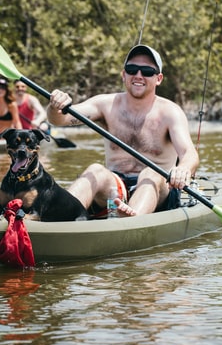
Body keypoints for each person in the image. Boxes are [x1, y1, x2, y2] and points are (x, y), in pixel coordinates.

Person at [47, 44, 199, 218]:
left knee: (150, 173)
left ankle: (130, 219)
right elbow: (60, 119)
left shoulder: (170, 112)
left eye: (147, 71)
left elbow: (189, 153)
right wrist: (55, 106)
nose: (138, 75)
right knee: (96, 169)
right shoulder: (105, 104)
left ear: (158, 78)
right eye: (132, 69)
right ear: (124, 74)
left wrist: (183, 169)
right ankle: (58, 216)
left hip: (158, 191)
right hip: (116, 187)